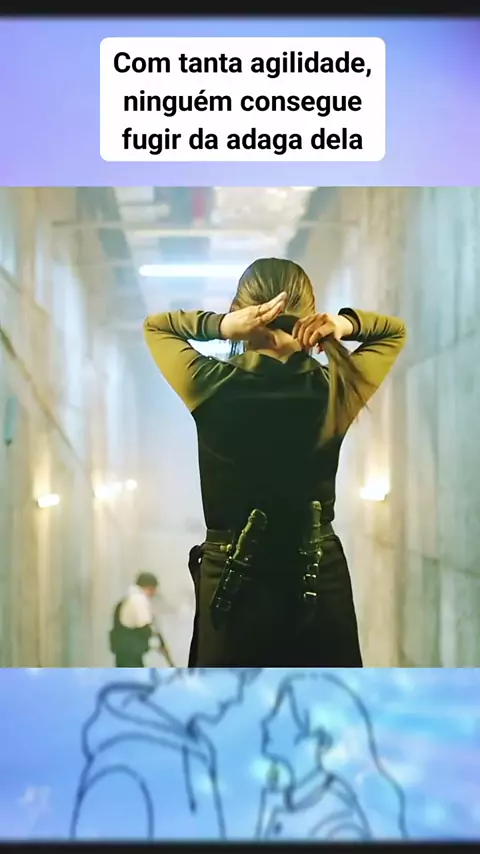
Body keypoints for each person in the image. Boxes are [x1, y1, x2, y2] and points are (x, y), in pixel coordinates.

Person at [144, 258, 406, 667]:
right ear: (311, 316)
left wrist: (221, 326)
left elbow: (156, 327)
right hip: (317, 577)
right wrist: (342, 324)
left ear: (244, 315)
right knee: (325, 703)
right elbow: (393, 332)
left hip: (231, 582)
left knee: (231, 705)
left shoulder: (209, 383)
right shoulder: (334, 387)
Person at [110, 572, 174, 668]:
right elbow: (144, 626)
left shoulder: (129, 598)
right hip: (130, 654)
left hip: (125, 652)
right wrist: (159, 645)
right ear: (150, 587)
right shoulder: (139, 599)